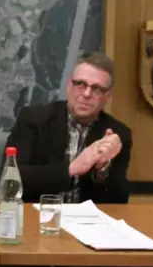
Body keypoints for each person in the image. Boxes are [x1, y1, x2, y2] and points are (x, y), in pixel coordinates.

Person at [7, 51, 131, 204]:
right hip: (31, 214)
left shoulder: (117, 135)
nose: (86, 94)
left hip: (83, 222)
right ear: (69, 85)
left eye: (97, 89)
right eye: (80, 84)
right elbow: (12, 178)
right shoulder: (33, 118)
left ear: (108, 96)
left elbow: (120, 201)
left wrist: (102, 171)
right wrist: (72, 168)